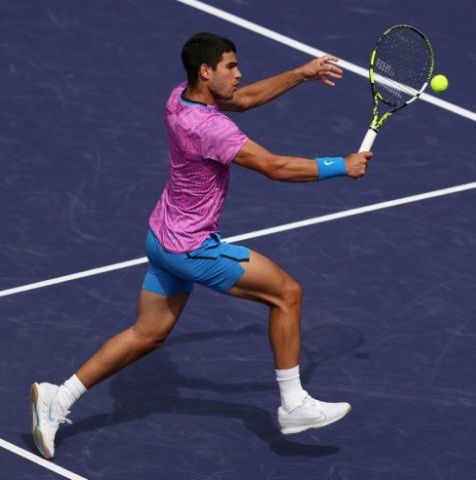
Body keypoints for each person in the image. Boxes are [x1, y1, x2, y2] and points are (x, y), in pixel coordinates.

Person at [30, 32, 372, 460]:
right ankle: (293, 404)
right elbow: (274, 167)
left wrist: (301, 74)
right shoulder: (210, 127)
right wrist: (342, 165)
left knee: (146, 335)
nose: (239, 73)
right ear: (206, 71)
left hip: (162, 237)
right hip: (192, 249)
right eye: (230, 66)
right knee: (287, 294)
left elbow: (244, 99)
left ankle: (55, 398)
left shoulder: (181, 98)